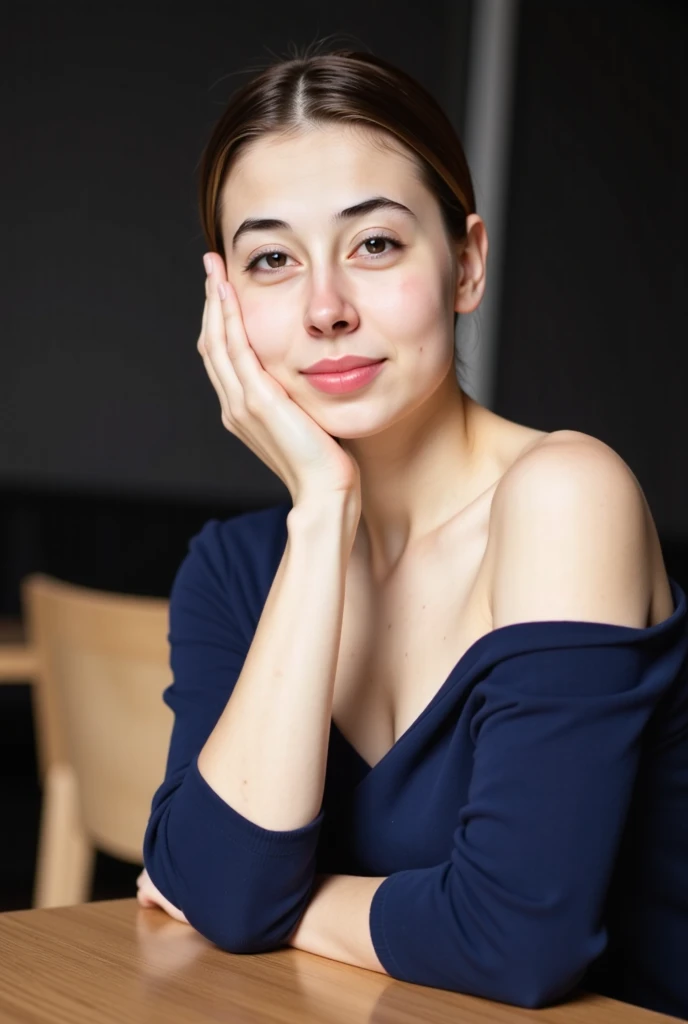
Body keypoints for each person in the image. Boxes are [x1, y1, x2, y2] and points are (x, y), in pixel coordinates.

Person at [137, 47, 688, 1017]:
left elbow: (516, 941)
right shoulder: (237, 565)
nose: (325, 308)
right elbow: (222, 887)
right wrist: (321, 510)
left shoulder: (567, 494)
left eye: (376, 245)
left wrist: (284, 907)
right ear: (224, 304)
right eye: (272, 260)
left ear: (465, 263)